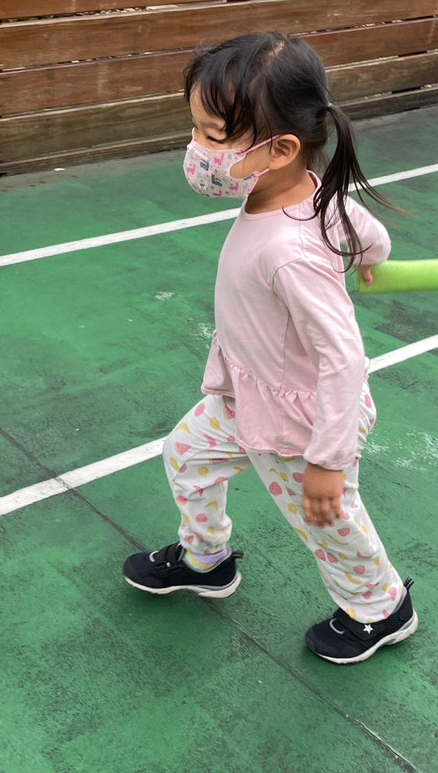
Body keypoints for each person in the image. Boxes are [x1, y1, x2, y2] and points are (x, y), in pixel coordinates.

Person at [123, 32, 415, 664]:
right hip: (246, 393)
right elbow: (366, 230)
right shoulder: (304, 187)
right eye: (196, 130)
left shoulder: (290, 252)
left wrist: (329, 460)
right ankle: (206, 560)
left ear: (280, 148)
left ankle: (381, 608)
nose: (197, 150)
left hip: (299, 424)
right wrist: (372, 254)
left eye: (212, 136)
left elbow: (343, 358)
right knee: (186, 456)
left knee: (326, 518)